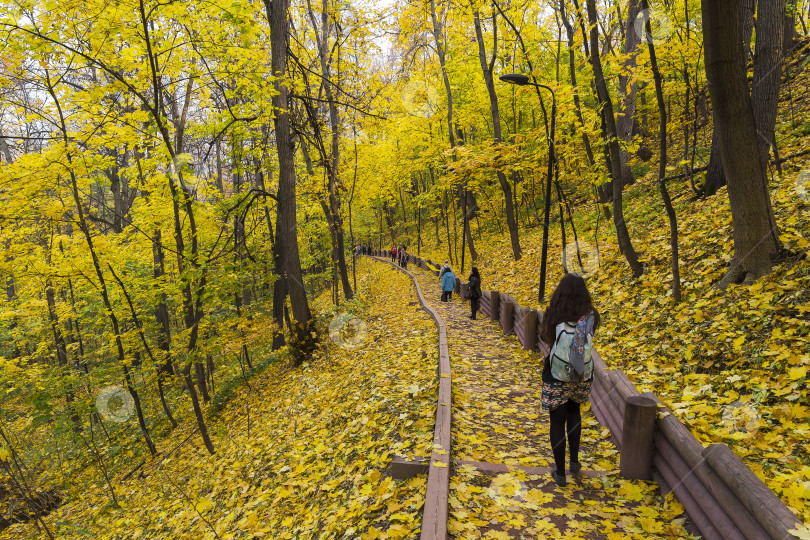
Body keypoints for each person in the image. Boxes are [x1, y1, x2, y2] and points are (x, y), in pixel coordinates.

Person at [539, 273, 600, 487]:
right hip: (581, 373)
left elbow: (545, 337)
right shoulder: (592, 315)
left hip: (556, 373)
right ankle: (574, 462)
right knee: (574, 412)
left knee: (557, 420)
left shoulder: (554, 313)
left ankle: (560, 473)